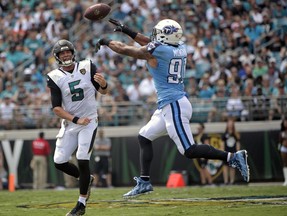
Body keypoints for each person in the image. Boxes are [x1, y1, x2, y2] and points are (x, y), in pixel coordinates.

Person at [96, 18, 250, 198]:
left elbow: (125, 49)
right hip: (169, 104)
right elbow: (149, 42)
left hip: (174, 104)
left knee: (189, 150)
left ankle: (233, 157)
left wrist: (106, 41)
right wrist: (126, 30)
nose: (154, 37)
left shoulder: (160, 50)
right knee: (144, 136)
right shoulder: (179, 47)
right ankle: (144, 182)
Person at [47, 39, 109, 215]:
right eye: (62, 53)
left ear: (73, 52)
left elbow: (103, 91)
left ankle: (81, 204)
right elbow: (57, 108)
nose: (65, 55)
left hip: (89, 121)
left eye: (67, 52)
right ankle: (85, 178)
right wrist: (75, 119)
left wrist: (103, 84)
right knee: (59, 161)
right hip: (71, 122)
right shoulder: (55, 76)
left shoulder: (87, 66)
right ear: (57, 57)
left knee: (82, 157)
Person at [221, 118, 240, 185]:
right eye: (229, 124)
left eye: (231, 124)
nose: (230, 125)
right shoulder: (225, 134)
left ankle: (232, 181)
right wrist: (222, 152)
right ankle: (226, 181)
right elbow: (222, 143)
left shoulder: (235, 134)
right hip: (226, 152)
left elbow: (238, 142)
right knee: (225, 167)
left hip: (233, 152)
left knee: (232, 167)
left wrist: (237, 153)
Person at [279, 116, 287, 186]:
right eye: (284, 122)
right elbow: (280, 141)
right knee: (285, 163)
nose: (285, 123)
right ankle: (286, 180)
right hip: (284, 148)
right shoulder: (282, 132)